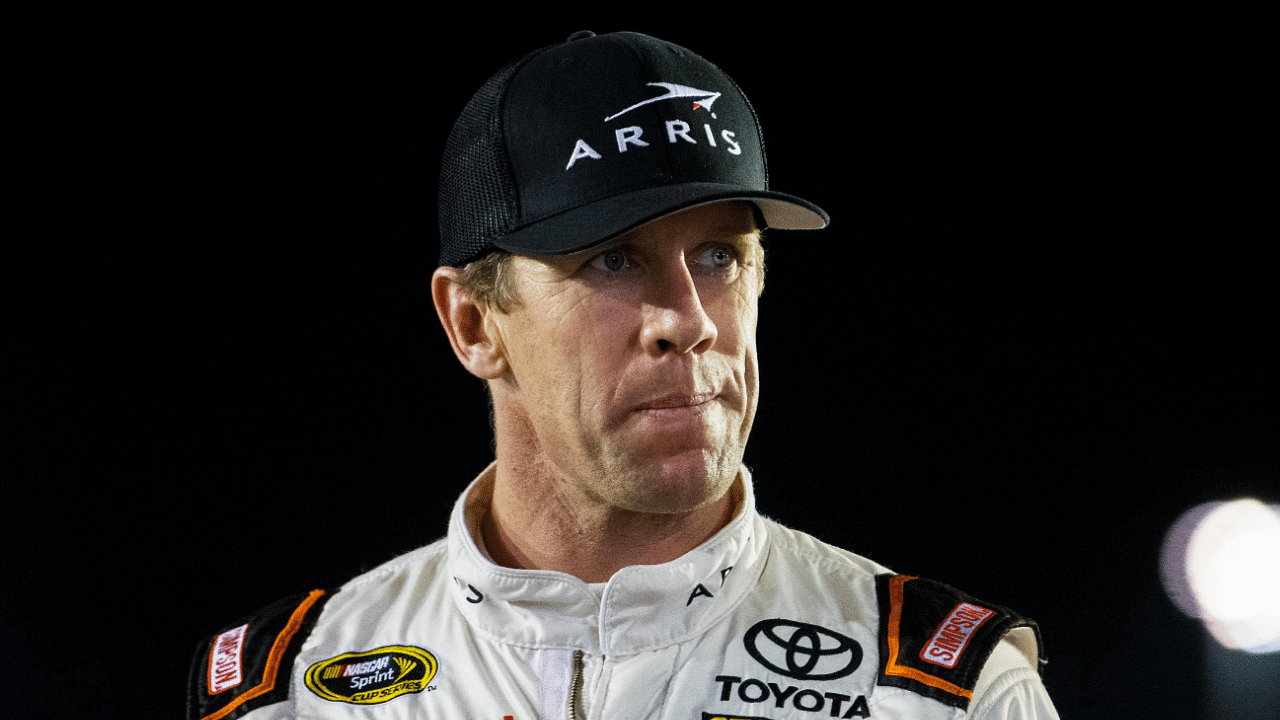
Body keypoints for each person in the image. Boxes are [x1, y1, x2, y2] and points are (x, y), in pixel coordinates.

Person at [188, 30, 1059, 719]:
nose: (688, 318)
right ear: (472, 324)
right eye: (612, 260)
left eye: (721, 255)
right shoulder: (288, 696)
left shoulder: (938, 694)